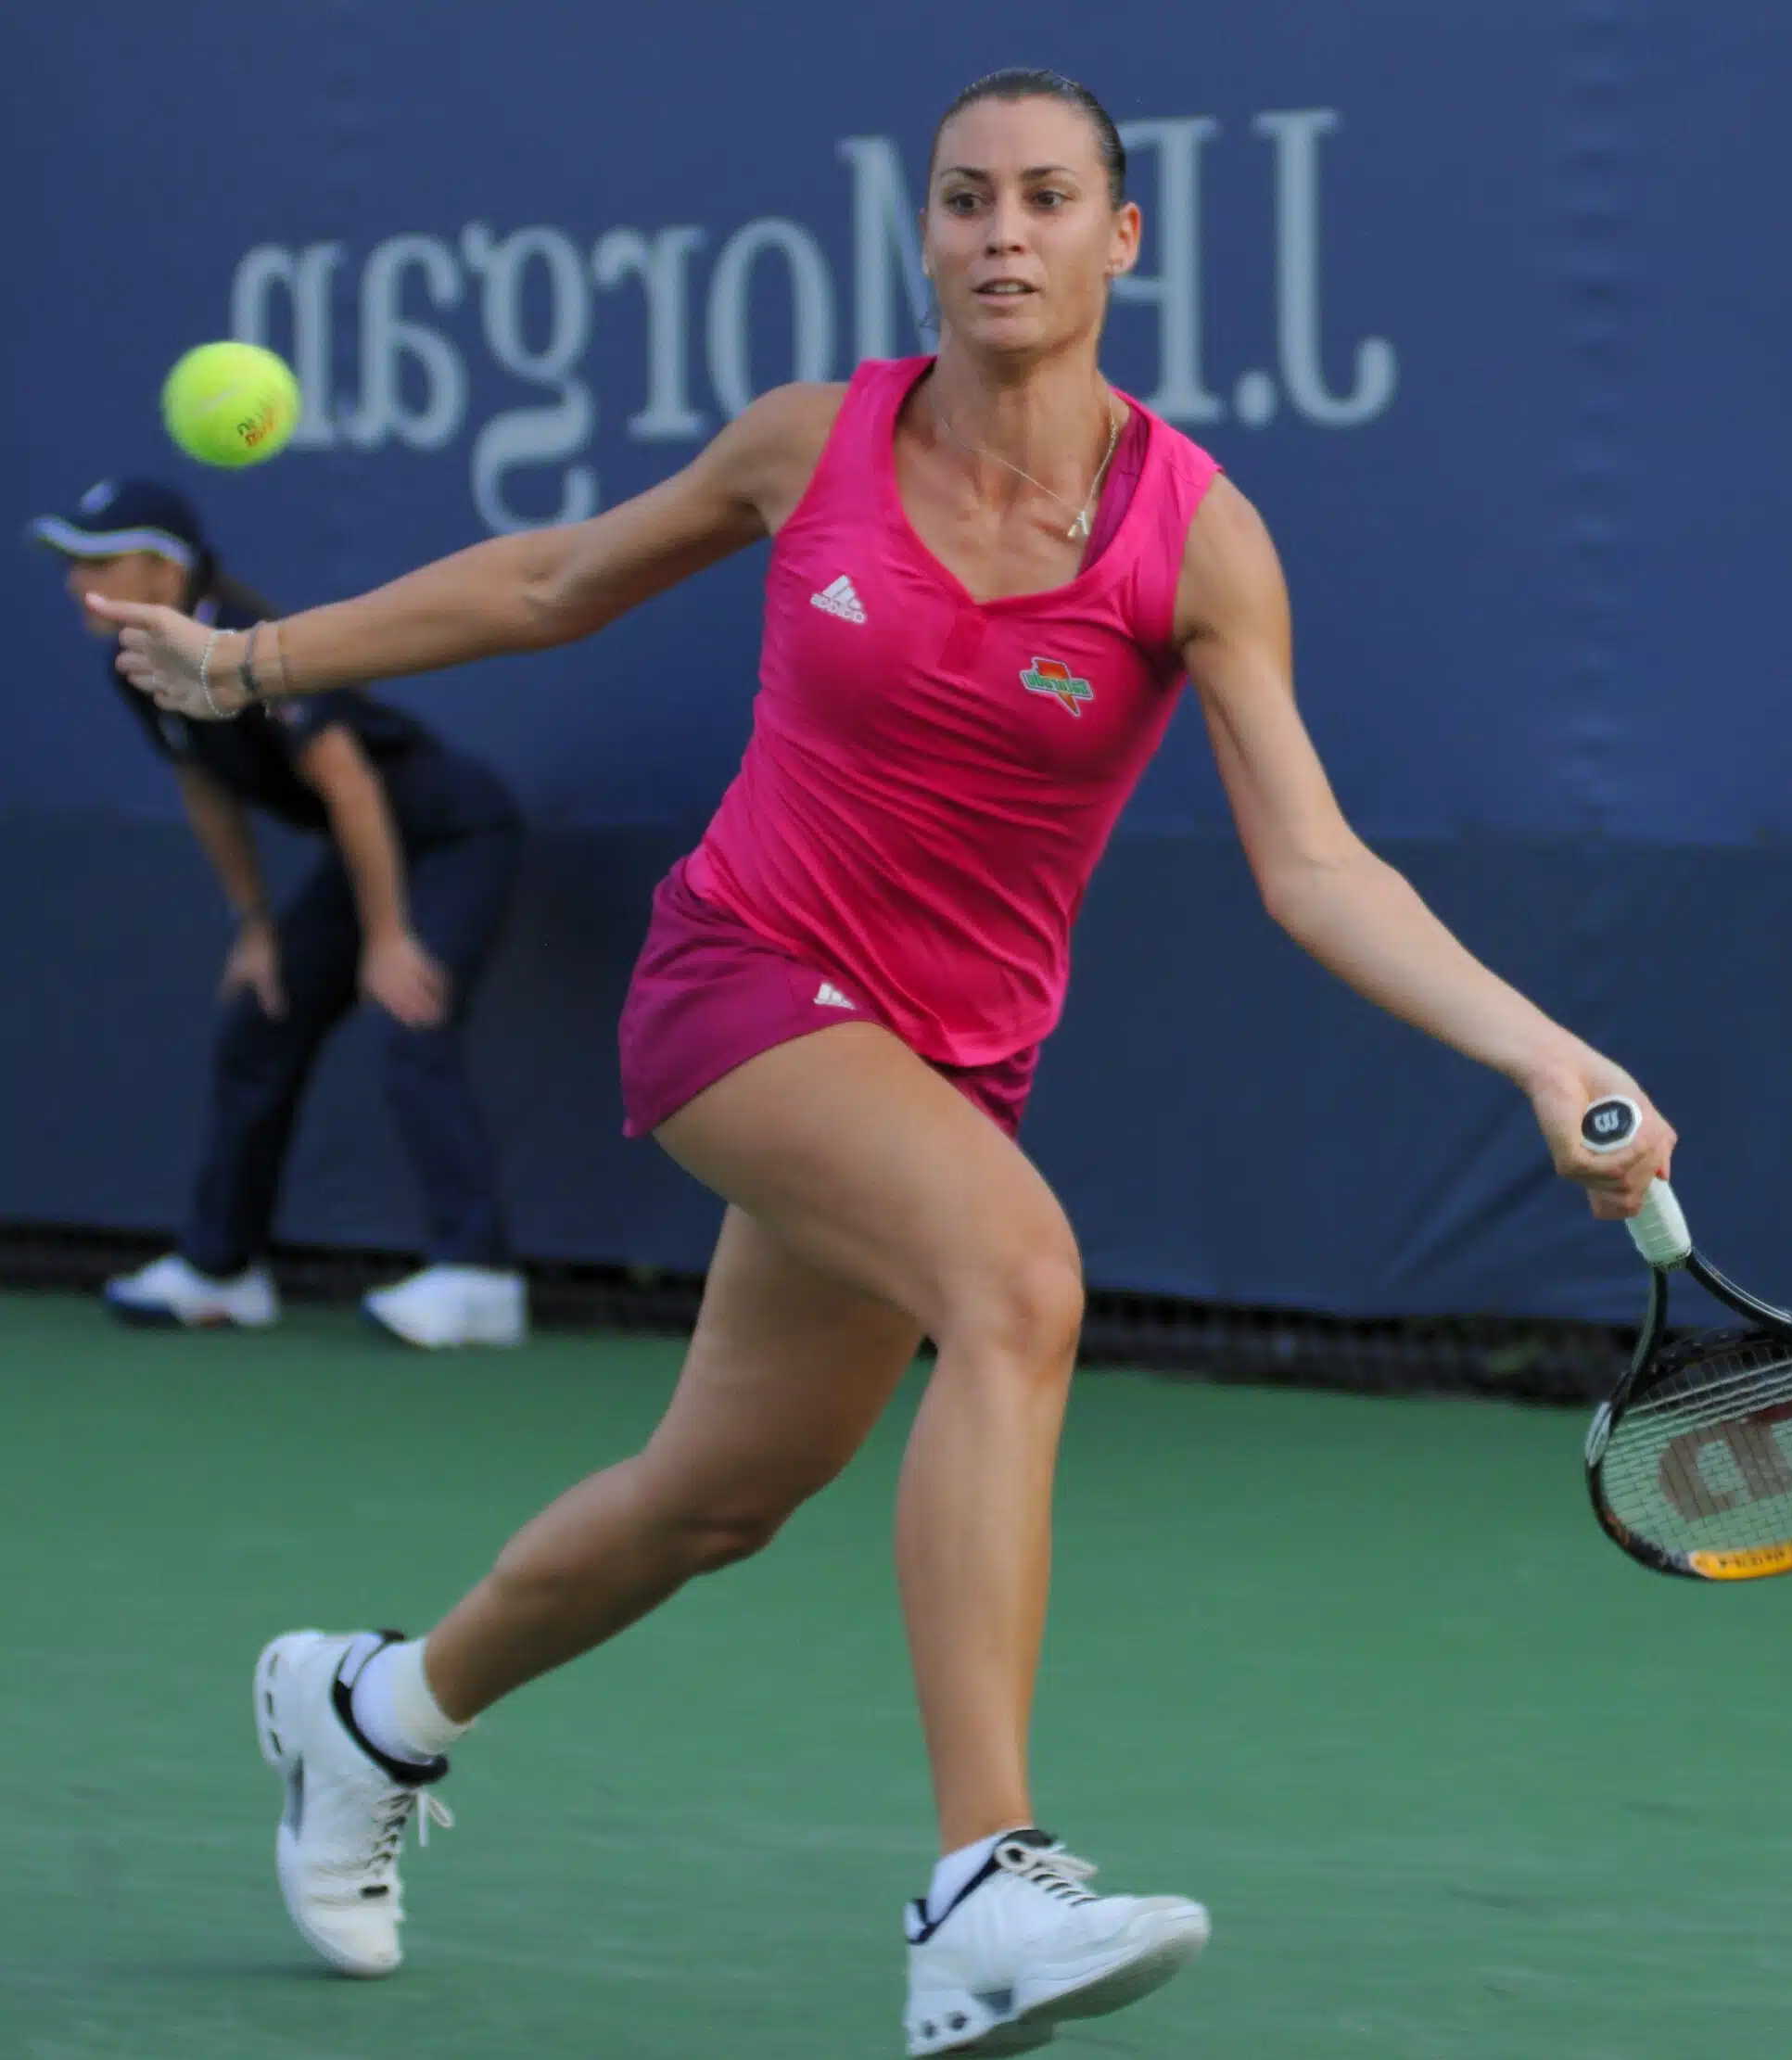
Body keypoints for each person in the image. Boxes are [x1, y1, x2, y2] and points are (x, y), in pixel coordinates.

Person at [97, 70, 1676, 2056]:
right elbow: (545, 583)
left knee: (716, 1495)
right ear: (922, 233)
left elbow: (1312, 863)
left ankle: (371, 1710)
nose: (998, 232)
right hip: (739, 981)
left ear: (1121, 241)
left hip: (942, 1069)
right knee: (1014, 1283)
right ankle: (974, 1890)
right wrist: (251, 662)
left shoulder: (1195, 541)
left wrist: (1543, 1051)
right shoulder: (809, 444)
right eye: (961, 199)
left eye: (1041, 199)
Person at [33, 478, 530, 1349]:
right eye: (72, 563)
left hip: (453, 835)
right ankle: (223, 1271)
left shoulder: (246, 644)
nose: (77, 580)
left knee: (408, 1019)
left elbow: (350, 783)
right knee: (263, 1025)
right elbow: (205, 788)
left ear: (162, 569)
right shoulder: (140, 660)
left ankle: (478, 1276)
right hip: (365, 853)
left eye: (97, 561)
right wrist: (256, 923)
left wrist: (386, 940)